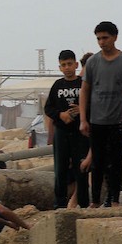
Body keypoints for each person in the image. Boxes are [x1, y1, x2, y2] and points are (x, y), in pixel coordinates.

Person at [80, 21, 122, 208]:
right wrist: (83, 119)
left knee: (115, 163)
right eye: (98, 38)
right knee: (97, 162)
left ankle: (114, 200)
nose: (102, 42)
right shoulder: (92, 62)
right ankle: (95, 201)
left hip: (118, 120)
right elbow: (84, 90)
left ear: (114, 37)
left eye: (105, 38)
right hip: (97, 120)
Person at [45, 49, 90, 209]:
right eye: (63, 65)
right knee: (61, 169)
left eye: (70, 64)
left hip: (80, 133)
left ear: (76, 64)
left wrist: (82, 109)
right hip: (62, 132)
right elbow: (48, 108)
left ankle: (84, 203)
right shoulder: (57, 85)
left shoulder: (83, 83)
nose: (67, 67)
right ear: (59, 67)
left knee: (82, 168)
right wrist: (61, 115)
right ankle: (60, 204)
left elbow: (93, 104)